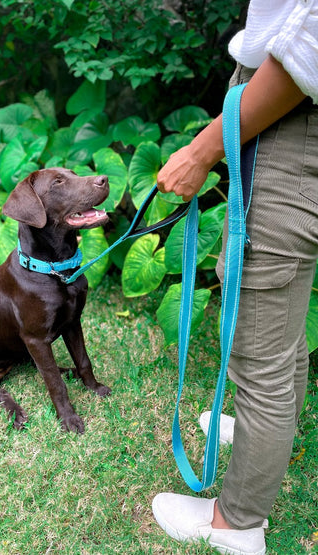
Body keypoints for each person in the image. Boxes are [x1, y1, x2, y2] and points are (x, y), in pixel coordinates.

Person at [153, 1, 318, 554]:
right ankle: (263, 442)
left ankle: (237, 524)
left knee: (260, 355)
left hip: (290, 131)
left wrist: (201, 151)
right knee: (279, 322)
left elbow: (305, 60)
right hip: (287, 131)